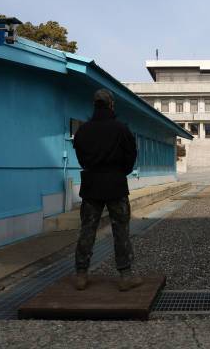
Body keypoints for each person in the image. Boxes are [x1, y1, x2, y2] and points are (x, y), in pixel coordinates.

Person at [72, 88, 141, 291]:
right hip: (116, 184)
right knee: (120, 229)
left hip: (91, 184)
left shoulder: (83, 130)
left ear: (95, 105)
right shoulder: (121, 129)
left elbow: (81, 159)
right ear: (111, 104)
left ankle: (81, 274)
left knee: (87, 229)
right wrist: (121, 171)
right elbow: (131, 155)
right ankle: (125, 275)